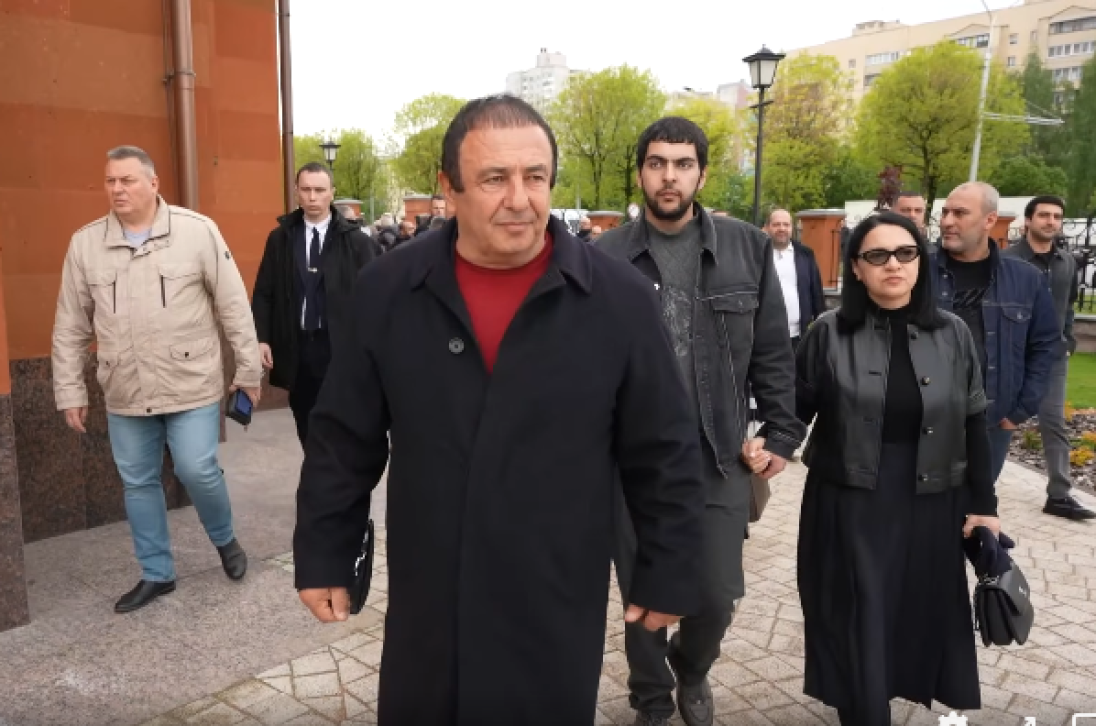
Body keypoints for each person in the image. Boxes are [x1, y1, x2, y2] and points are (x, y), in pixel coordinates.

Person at [292, 95, 706, 725]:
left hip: (553, 596)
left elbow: (663, 447)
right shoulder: (388, 290)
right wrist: (325, 549)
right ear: (448, 187)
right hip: (432, 597)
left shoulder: (618, 299)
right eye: (494, 178)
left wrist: (671, 564)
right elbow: (343, 438)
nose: (520, 198)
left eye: (535, 177)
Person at [598, 117, 804, 726]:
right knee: (643, 591)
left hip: (718, 455)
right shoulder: (604, 257)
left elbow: (773, 351)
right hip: (631, 461)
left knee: (714, 595)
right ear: (641, 173)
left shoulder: (747, 248)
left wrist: (782, 433)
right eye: (657, 163)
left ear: (702, 174)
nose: (669, 176)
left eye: (682, 164)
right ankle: (651, 698)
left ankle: (690, 668)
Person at [794, 212, 1002, 725]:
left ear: (920, 262)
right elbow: (793, 411)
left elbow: (974, 420)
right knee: (857, 611)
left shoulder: (953, 333)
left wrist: (984, 506)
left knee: (911, 610)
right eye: (877, 255)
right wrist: (761, 450)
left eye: (906, 253)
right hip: (849, 498)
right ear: (856, 267)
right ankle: (865, 711)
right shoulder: (828, 333)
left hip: (931, 499)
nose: (893, 264)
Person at [52, 146, 262, 613]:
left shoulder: (197, 232)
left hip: (190, 381)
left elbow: (233, 305)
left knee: (196, 467)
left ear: (153, 183)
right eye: (110, 181)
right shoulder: (85, 244)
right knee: (138, 482)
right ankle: (157, 573)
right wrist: (69, 389)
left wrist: (248, 370)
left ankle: (225, 539)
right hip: (125, 387)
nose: (117, 189)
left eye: (127, 180)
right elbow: (70, 325)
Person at [931, 182, 1058, 484]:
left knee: (976, 504)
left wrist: (1021, 409)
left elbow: (1045, 344)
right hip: (924, 418)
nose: (947, 221)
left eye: (959, 213)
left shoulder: (1026, 279)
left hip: (990, 422)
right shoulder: (917, 270)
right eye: (945, 213)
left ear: (989, 220)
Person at [251, 162, 378, 447]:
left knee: (342, 427)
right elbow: (264, 292)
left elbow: (376, 297)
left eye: (319, 190)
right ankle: (317, 471)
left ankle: (336, 472)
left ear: (332, 193)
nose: (312, 197)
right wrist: (262, 338)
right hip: (297, 348)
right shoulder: (280, 239)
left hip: (340, 349)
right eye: (306, 189)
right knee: (307, 426)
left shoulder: (356, 242)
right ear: (296, 191)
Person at [1002, 196, 1095, 519]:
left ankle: (1059, 495)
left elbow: (1067, 306)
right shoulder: (1006, 260)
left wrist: (1068, 340)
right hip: (1010, 354)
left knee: (1054, 422)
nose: (1051, 221)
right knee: (995, 420)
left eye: (1057, 216)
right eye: (1044, 215)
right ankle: (975, 490)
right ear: (1028, 220)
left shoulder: (1067, 262)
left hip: (1051, 357)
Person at [767, 208, 825, 348]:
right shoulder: (758, 254)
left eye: (786, 224)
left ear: (792, 228)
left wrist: (821, 322)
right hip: (766, 335)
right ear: (768, 227)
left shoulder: (805, 254)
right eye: (776, 224)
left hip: (799, 335)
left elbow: (816, 290)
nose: (782, 228)